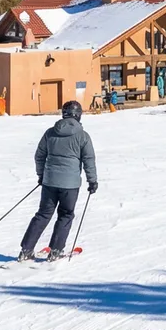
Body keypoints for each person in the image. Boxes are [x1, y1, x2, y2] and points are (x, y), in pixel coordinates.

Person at [18, 100, 98, 262]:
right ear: (78, 115)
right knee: (66, 215)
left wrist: (41, 175)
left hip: (50, 182)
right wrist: (92, 181)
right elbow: (89, 159)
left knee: (43, 214)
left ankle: (26, 249)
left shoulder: (50, 133)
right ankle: (55, 251)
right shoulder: (83, 136)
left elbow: (39, 156)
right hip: (71, 185)